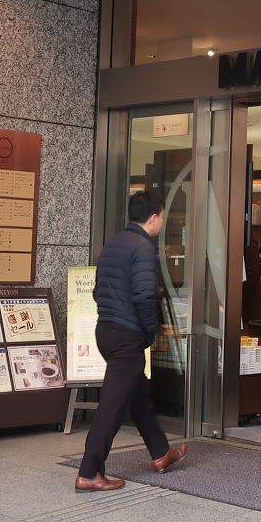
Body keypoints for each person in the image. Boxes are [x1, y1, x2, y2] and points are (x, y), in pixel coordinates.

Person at [75, 191, 188, 491]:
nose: (162, 222)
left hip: (107, 329)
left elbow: (98, 291)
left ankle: (161, 452)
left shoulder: (114, 244)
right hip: (127, 335)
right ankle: (89, 472)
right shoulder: (143, 247)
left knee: (138, 397)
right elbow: (144, 296)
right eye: (162, 217)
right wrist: (150, 332)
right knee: (111, 408)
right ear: (153, 218)